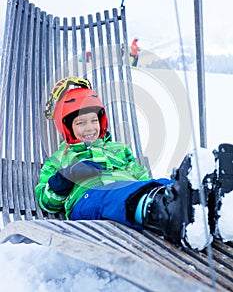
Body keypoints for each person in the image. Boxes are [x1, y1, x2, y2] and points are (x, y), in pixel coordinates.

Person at [35, 76, 233, 251]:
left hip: (127, 189)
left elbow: (142, 178)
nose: (89, 128)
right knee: (114, 195)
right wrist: (65, 178)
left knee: (163, 184)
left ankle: (214, 206)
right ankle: (166, 215)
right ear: (67, 127)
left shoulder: (119, 149)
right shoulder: (60, 158)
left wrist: (164, 187)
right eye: (80, 123)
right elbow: (46, 201)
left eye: (93, 121)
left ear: (101, 121)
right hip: (89, 199)